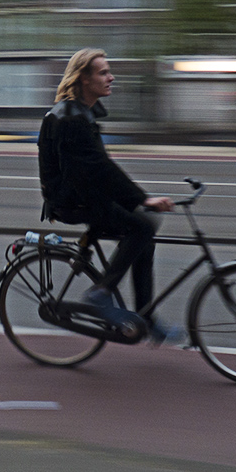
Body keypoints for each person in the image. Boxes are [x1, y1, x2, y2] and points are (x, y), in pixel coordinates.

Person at [37, 48, 181, 344]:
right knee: (140, 226)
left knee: (145, 230)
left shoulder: (80, 113)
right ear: (84, 79)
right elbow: (97, 169)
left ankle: (145, 316)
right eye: (103, 72)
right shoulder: (70, 119)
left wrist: (139, 202)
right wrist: (141, 199)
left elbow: (99, 170)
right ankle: (99, 293)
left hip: (85, 195)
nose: (111, 77)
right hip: (71, 202)